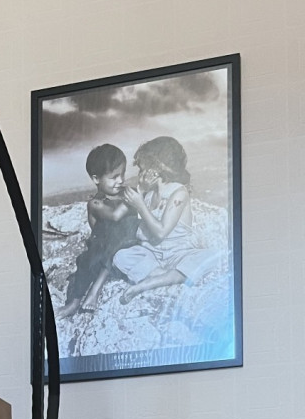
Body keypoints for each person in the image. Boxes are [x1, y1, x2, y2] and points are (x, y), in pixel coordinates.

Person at [113, 135, 223, 303]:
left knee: (212, 256)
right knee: (121, 256)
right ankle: (167, 277)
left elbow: (161, 232)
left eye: (142, 170)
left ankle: (148, 282)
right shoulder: (149, 195)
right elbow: (144, 231)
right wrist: (141, 193)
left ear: (156, 170)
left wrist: (139, 205)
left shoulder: (179, 193)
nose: (139, 175)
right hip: (154, 254)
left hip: (178, 254)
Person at [58, 144, 141, 319]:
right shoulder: (95, 203)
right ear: (96, 179)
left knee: (119, 238)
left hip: (126, 244)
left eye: (122, 174)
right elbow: (115, 216)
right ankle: (74, 302)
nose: (121, 180)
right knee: (84, 262)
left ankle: (95, 290)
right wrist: (132, 200)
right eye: (114, 177)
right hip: (103, 247)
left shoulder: (123, 195)